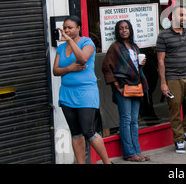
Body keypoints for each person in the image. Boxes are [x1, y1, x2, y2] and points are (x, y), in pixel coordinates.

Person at [53, 15, 112, 164]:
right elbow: (55, 70)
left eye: (70, 28)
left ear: (78, 28)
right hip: (67, 93)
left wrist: (70, 41)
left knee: (88, 131)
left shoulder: (87, 42)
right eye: (65, 27)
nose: (66, 30)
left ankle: (107, 162)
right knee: (75, 133)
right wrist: (69, 68)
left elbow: (83, 59)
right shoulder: (60, 47)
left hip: (86, 92)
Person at [157, 6, 186, 154]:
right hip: (172, 78)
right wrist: (163, 83)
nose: (184, 18)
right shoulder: (164, 36)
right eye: (181, 15)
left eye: (185, 15)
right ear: (173, 17)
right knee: (175, 110)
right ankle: (178, 140)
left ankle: (184, 129)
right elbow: (160, 61)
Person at [102, 20, 150, 162]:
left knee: (134, 121)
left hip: (136, 86)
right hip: (123, 88)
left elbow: (134, 68)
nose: (124, 30)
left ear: (130, 30)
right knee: (126, 119)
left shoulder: (134, 47)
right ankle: (129, 153)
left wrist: (141, 65)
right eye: (121, 28)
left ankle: (137, 151)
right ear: (117, 31)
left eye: (127, 28)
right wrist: (117, 86)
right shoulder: (115, 47)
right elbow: (106, 68)